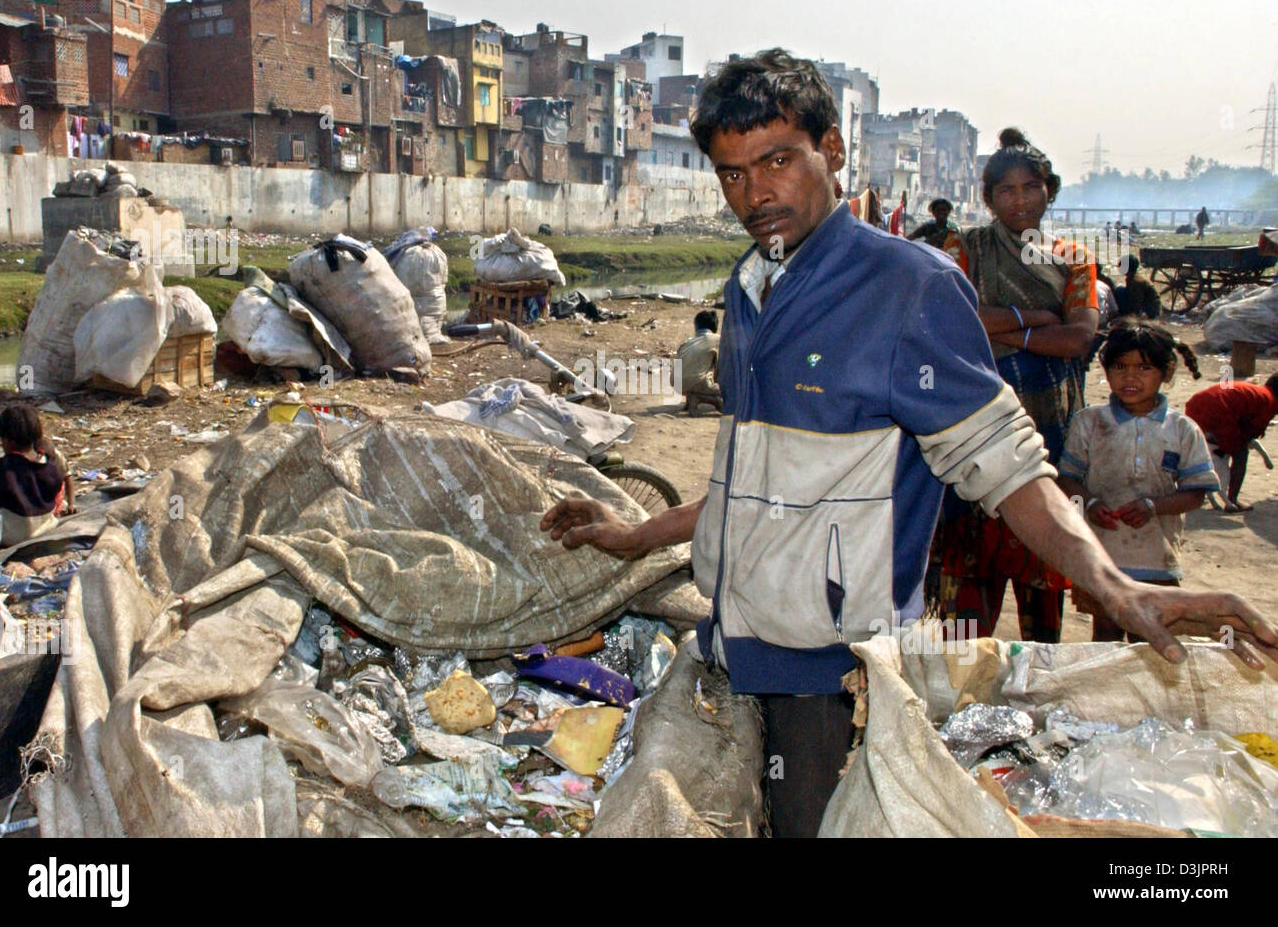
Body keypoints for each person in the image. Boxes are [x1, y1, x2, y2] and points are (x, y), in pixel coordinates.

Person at [537, 50, 1278, 838]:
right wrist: (631, 535)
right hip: (733, 641)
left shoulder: (906, 287)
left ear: (833, 151)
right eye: (731, 174)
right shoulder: (749, 287)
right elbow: (751, 479)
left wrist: (1118, 588)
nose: (753, 194)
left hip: (829, 669)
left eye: (777, 161)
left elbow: (1011, 466)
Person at [930, 128, 1098, 644]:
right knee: (963, 621)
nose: (1019, 200)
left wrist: (1004, 327)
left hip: (1048, 427)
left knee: (1042, 600)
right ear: (989, 198)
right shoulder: (965, 248)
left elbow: (1078, 338)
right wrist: (1036, 319)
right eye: (1007, 191)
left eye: (1031, 188)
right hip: (974, 426)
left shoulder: (1073, 257)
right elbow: (952, 323)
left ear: (1050, 192)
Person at [1058, 319, 1216, 641]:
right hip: (1103, 558)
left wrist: (1152, 505)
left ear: (1166, 372)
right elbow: (1068, 479)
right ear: (1106, 369)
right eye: (1119, 366)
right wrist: (1090, 502)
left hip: (1157, 559)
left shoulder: (1182, 430)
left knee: (1150, 642)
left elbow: (1196, 493)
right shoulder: (1089, 422)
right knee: (1105, 638)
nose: (1130, 377)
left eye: (1143, 368)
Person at [0, 405, 74, 547]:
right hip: (46, 530)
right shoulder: (50, 467)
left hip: (11, 538)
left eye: (2, 440)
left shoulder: (1, 470)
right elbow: (62, 484)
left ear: (10, 441)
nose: (2, 444)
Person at [1185, 373, 1278, 512]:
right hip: (1219, 411)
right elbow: (1252, 431)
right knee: (1240, 454)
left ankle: (1196, 490)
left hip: (1195, 404)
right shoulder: (1270, 401)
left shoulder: (1257, 391)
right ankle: (1232, 500)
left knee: (1201, 451)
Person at [677, 309, 722, 415]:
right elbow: (721, 366)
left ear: (696, 326)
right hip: (698, 381)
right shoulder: (717, 340)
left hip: (677, 384)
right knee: (732, 392)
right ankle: (703, 398)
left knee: (696, 369)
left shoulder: (687, 342)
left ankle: (690, 397)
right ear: (715, 327)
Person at [1113, 254, 1161, 319]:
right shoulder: (1134, 277)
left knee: (1118, 291)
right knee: (1120, 289)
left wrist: (1134, 314)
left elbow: (1136, 301)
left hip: (1150, 309)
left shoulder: (1135, 281)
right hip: (1150, 306)